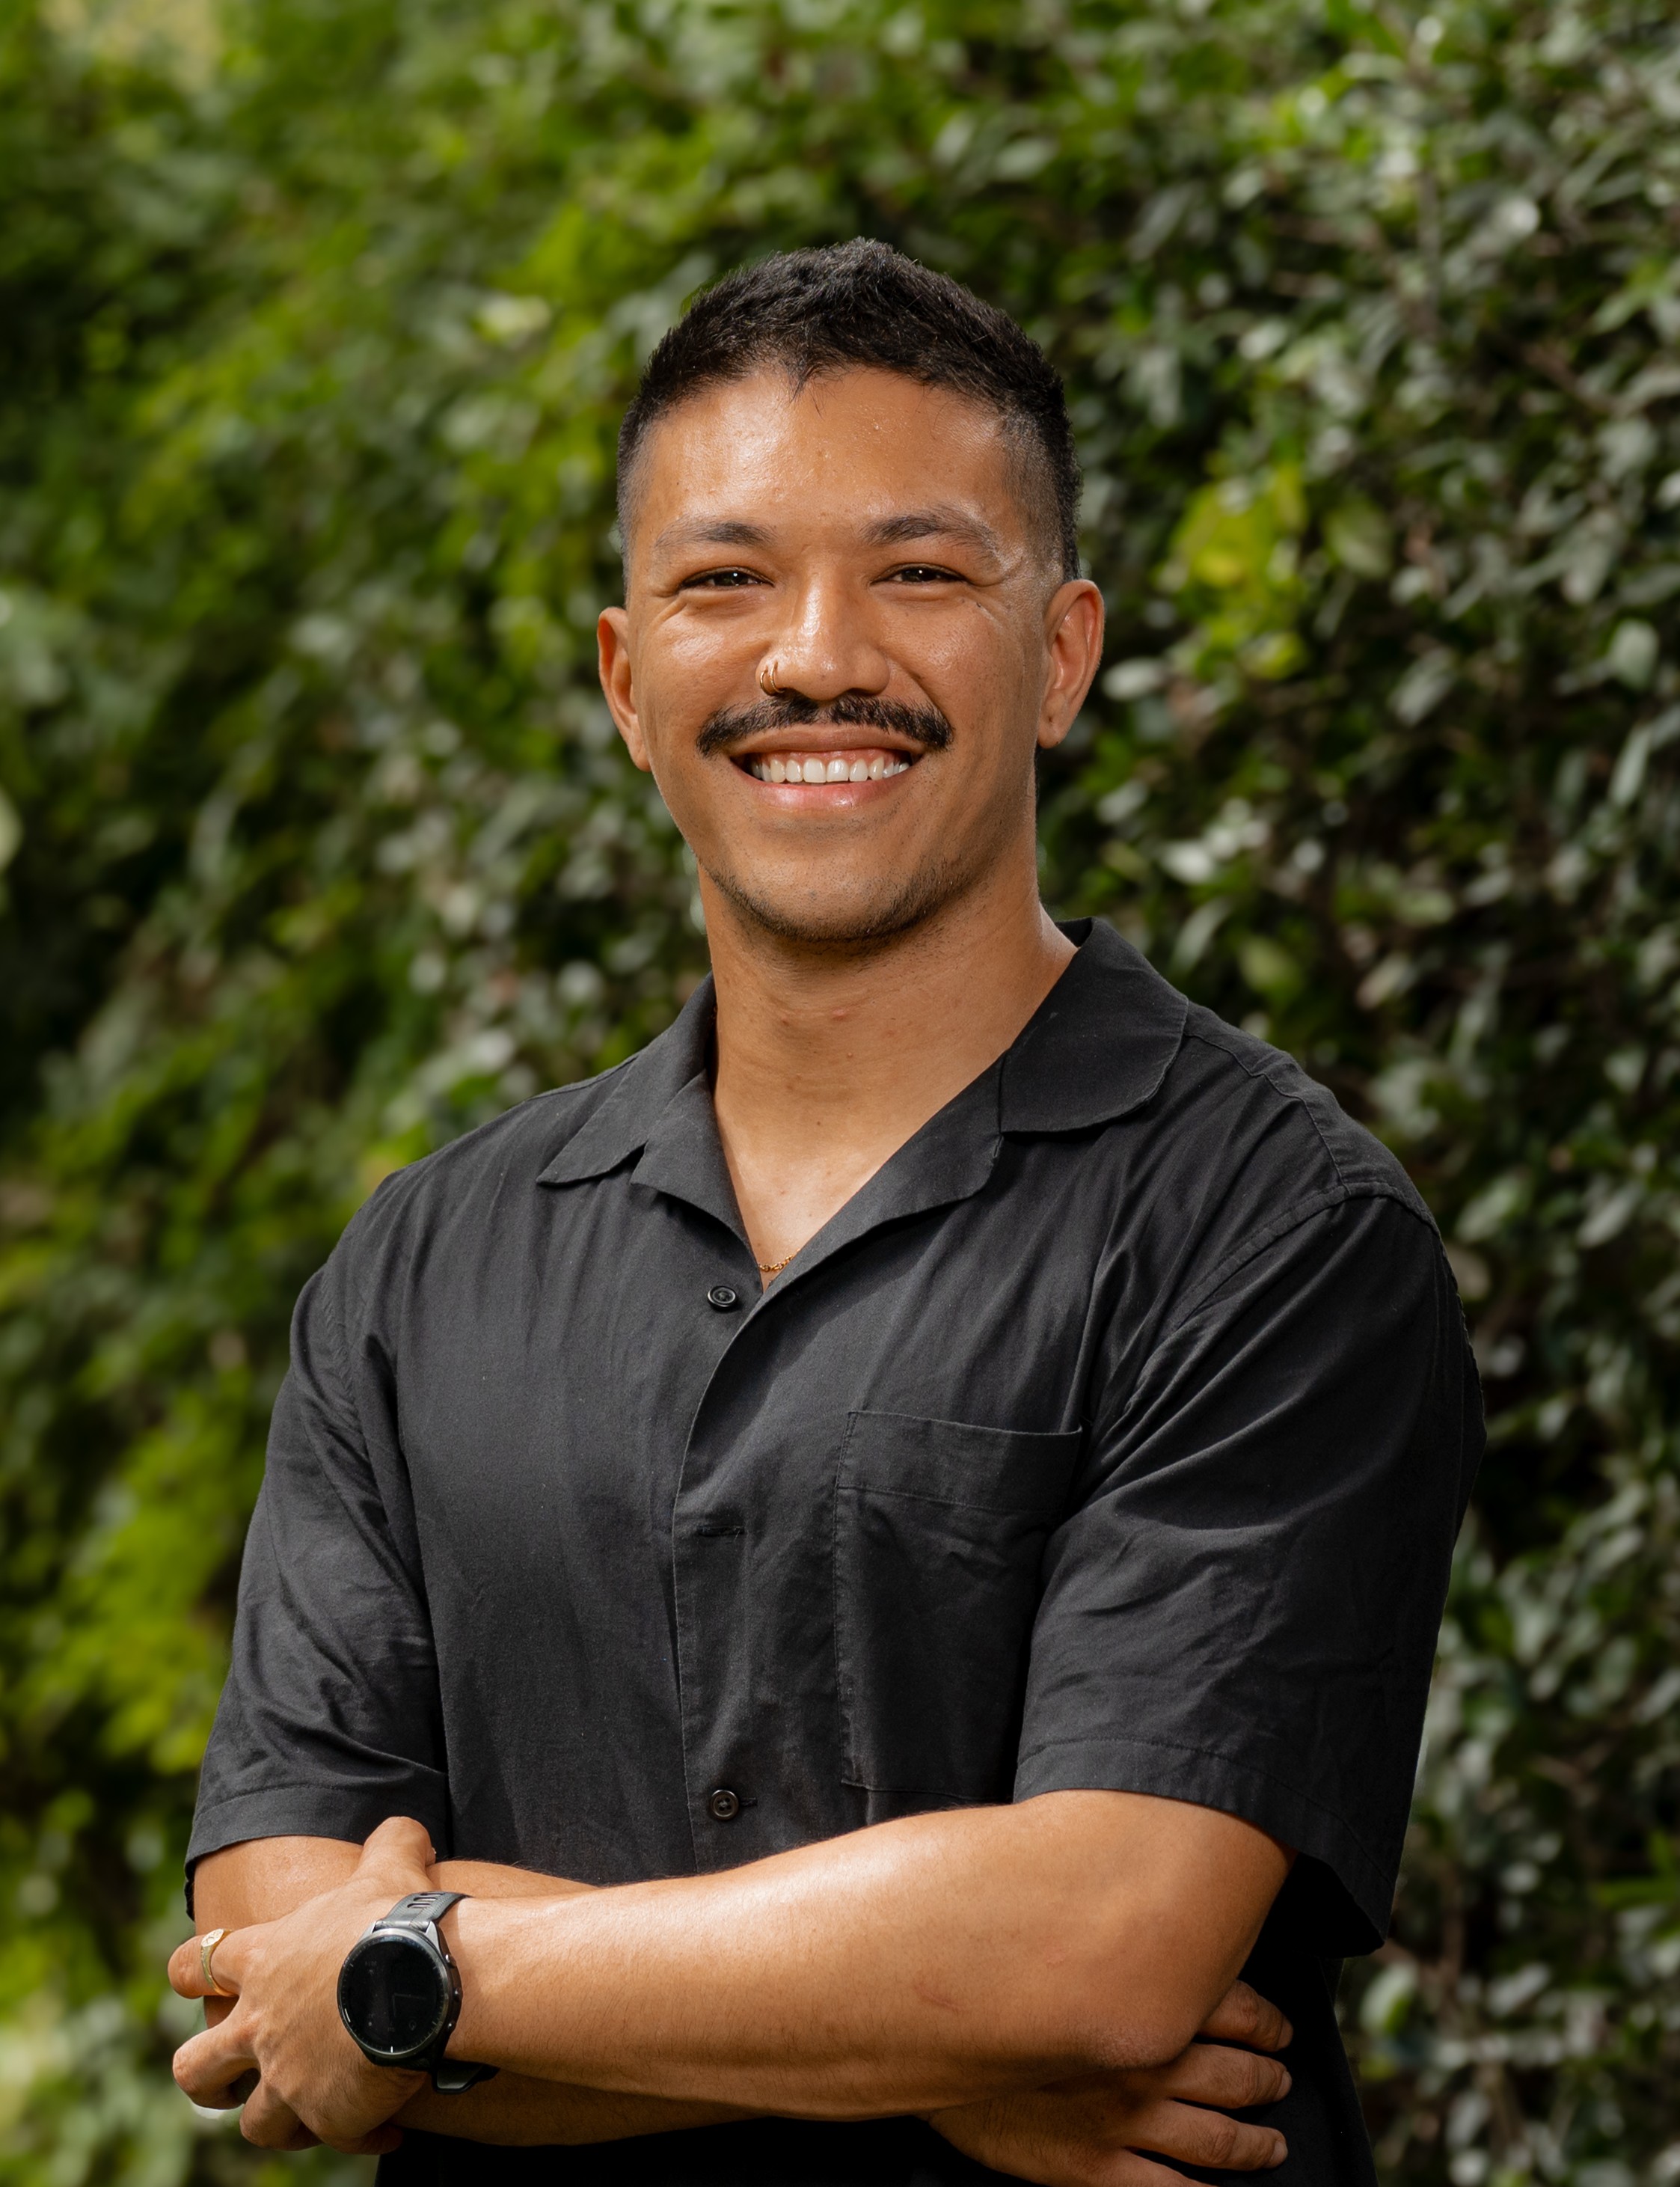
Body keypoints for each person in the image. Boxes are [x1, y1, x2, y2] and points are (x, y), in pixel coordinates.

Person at [168, 241, 1482, 2186]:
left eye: (922, 571)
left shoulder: (1272, 1230)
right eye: (723, 578)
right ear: (628, 679)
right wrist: (932, 2041)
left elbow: (1103, 1944)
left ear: (1063, 652)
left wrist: (419, 1975)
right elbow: (271, 1969)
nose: (814, 653)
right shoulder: (418, 1272)